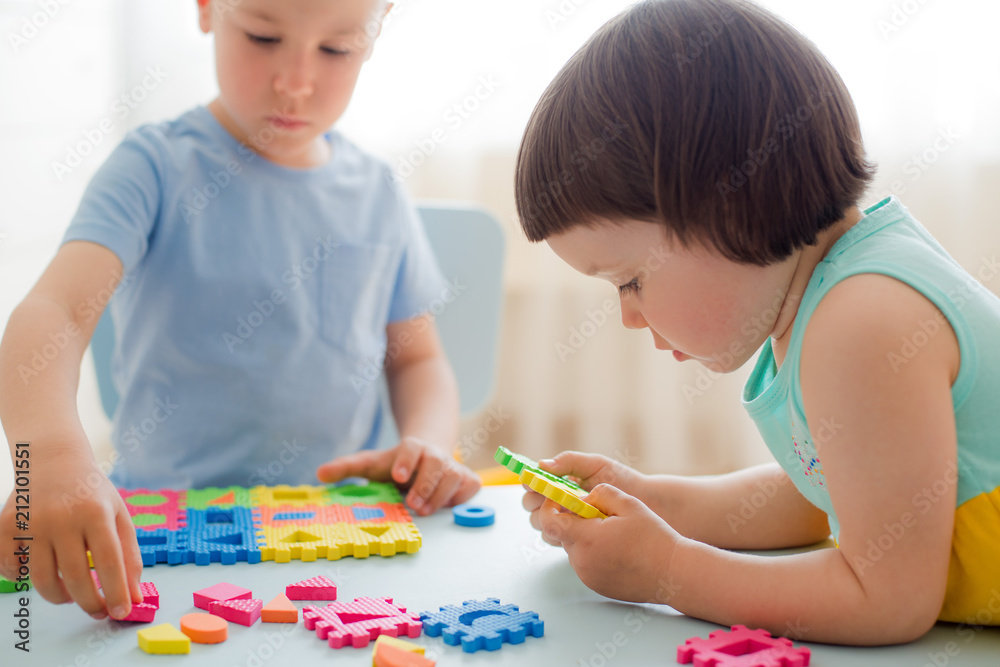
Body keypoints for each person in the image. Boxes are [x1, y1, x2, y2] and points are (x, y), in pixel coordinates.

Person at [513, 0, 1000, 645]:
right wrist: (651, 500)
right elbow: (824, 494)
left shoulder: (864, 319)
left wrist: (666, 572)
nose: (629, 316)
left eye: (630, 280)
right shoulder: (825, 294)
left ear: (732, 206)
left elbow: (887, 600)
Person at [0, 0, 480, 623]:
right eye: (262, 35)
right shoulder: (153, 166)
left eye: (336, 49)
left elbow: (417, 358)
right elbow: (55, 312)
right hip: (162, 535)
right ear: (206, 9)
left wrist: (429, 443)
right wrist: (52, 461)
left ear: (377, 32)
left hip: (336, 530)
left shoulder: (380, 192)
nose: (296, 81)